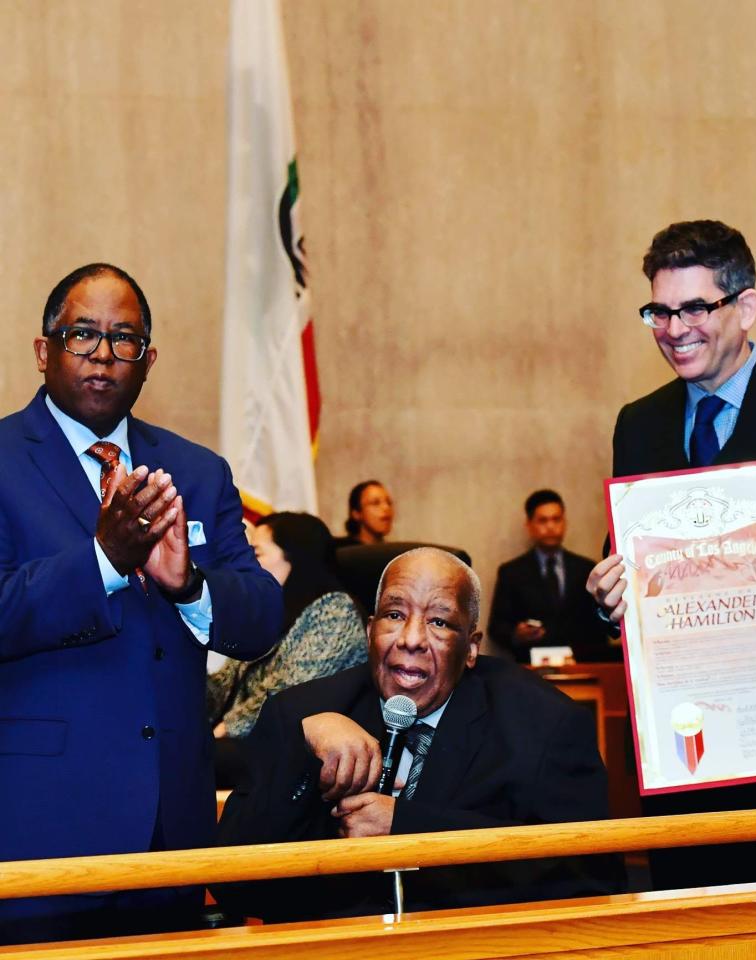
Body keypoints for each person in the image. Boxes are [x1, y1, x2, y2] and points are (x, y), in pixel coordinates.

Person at [0, 263, 283, 943]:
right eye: (83, 336)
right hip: (41, 823)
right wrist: (103, 561)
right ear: (44, 351)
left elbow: (262, 615)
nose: (104, 356)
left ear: (148, 360)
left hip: (171, 827)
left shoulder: (196, 469)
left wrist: (190, 586)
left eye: (125, 340)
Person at [586, 220, 756, 890]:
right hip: (681, 746)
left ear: (746, 307)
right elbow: (629, 563)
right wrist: (610, 600)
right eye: (660, 311)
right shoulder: (638, 422)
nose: (674, 328)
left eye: (695, 308)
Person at [215, 547, 622, 921]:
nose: (410, 639)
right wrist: (303, 756)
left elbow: (589, 881)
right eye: (394, 615)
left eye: (439, 622)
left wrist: (409, 829)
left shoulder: (545, 726)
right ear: (370, 630)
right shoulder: (300, 714)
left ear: (472, 646)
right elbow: (234, 884)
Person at [207, 512, 368, 787]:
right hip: (251, 746)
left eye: (256, 554)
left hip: (298, 751)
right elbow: (225, 685)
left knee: (195, 756)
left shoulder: (334, 611)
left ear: (295, 556)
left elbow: (288, 695)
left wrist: (222, 730)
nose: (246, 566)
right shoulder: (271, 614)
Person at [488, 489, 615, 662]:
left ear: (565, 522)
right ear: (529, 525)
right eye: (543, 520)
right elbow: (496, 627)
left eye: (556, 519)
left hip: (582, 665)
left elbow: (600, 623)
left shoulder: (587, 569)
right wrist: (517, 634)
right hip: (530, 669)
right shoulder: (511, 572)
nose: (550, 526)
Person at [338, 479, 394, 545]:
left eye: (389, 502)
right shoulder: (338, 551)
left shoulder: (394, 552)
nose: (386, 508)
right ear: (356, 513)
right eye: (375, 503)